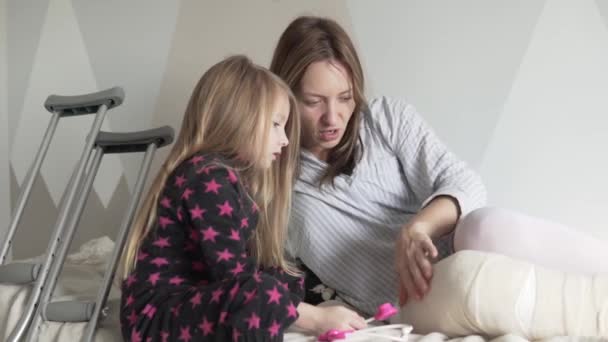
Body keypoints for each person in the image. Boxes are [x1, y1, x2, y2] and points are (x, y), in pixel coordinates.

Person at [269, 16, 608, 317]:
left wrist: (419, 228)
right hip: (412, 301)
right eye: (313, 102)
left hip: (459, 254)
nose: (333, 117)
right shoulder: (274, 181)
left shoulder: (385, 119)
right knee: (467, 282)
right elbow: (263, 276)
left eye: (344, 97)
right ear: (284, 95)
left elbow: (467, 184)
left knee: (483, 225)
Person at [119, 55, 367, 342]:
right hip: (155, 319)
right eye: (276, 125)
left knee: (283, 278)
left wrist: (287, 286)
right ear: (240, 120)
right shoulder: (205, 177)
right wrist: (316, 318)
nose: (285, 141)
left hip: (188, 306)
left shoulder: (227, 180)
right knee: (259, 293)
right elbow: (234, 276)